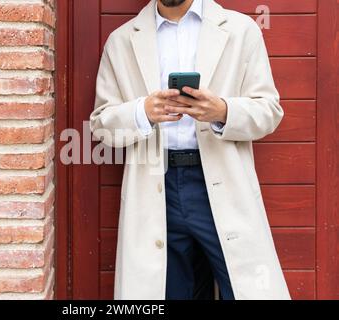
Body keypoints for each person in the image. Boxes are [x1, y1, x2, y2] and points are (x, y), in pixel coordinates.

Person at [90, 0, 291, 300]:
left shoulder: (242, 30)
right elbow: (101, 125)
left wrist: (222, 110)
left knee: (247, 288)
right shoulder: (121, 41)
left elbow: (269, 111)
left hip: (221, 182)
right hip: (156, 187)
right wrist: (142, 112)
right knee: (166, 292)